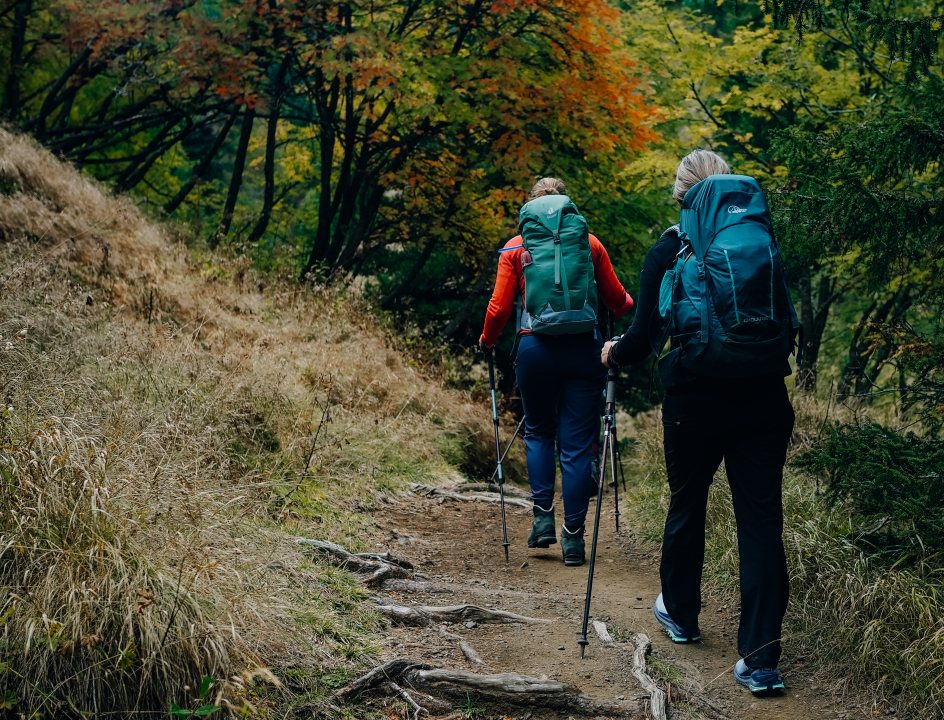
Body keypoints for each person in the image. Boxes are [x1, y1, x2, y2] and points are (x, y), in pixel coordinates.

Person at [602, 150, 795, 695]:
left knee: (689, 502)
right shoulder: (759, 243)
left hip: (695, 400)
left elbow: (641, 341)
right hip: (764, 399)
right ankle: (760, 661)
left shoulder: (669, 249)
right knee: (761, 521)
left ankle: (682, 616)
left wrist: (612, 353)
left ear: (682, 197)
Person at [480, 177, 634, 567]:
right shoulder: (590, 243)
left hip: (535, 350)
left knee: (538, 431)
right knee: (578, 446)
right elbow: (618, 301)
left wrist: (486, 340)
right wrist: (629, 305)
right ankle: (573, 539)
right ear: (568, 205)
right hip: (584, 350)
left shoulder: (516, 247)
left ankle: (543, 518)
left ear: (532, 206)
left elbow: (498, 310)